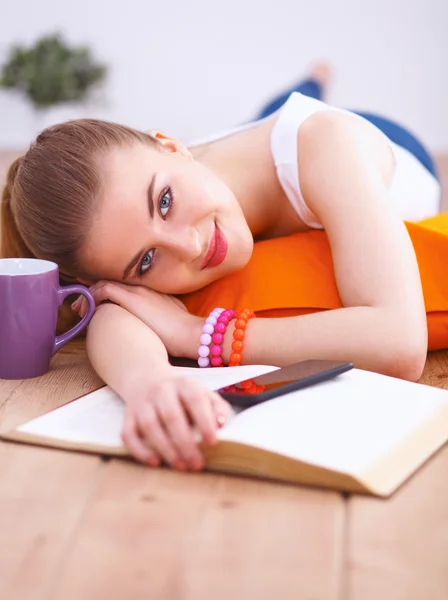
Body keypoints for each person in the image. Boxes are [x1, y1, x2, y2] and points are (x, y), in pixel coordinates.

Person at [1, 64, 441, 472]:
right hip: (234, 154)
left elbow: (398, 343)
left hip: (386, 135)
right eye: (147, 260)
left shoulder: (328, 144)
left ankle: (311, 80)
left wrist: (197, 334)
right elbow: (117, 310)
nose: (190, 246)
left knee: (286, 106)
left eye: (165, 201)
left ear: (171, 146)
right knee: (263, 115)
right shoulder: (141, 217)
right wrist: (150, 382)